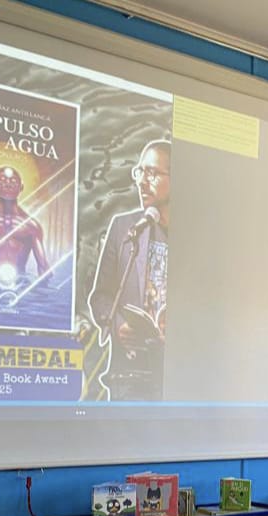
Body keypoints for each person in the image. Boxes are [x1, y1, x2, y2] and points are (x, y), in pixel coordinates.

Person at [88, 139, 171, 400]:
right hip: (130, 376)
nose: (142, 181)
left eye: (153, 173)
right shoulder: (125, 228)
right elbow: (100, 297)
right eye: (140, 171)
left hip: (178, 375)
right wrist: (118, 324)